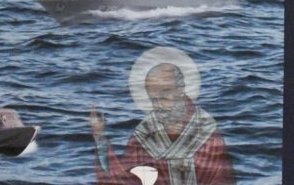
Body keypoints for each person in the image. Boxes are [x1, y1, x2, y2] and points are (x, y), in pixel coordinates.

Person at [90, 62, 235, 185]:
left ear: (181, 90)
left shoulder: (207, 130)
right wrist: (100, 138)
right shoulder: (142, 135)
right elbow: (124, 180)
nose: (159, 105)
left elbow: (221, 179)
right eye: (153, 100)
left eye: (165, 97)